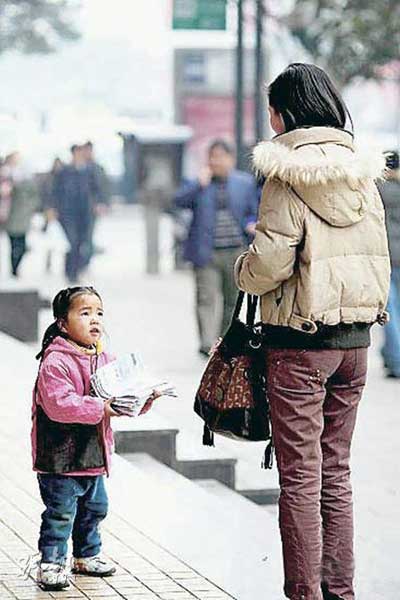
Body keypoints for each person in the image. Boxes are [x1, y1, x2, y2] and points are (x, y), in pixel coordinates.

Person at [234, 63, 390, 600]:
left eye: (273, 110)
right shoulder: (362, 171)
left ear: (285, 113)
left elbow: (270, 264)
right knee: (336, 473)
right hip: (355, 344)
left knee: (301, 477)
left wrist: (242, 267)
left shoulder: (286, 173)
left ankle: (304, 594)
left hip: (299, 343)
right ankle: (340, 591)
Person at [31, 286, 157, 591]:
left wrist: (141, 397)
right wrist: (101, 407)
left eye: (99, 313)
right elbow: (60, 404)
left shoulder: (105, 358)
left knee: (95, 508)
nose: (95, 320)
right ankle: (51, 562)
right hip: (60, 458)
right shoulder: (56, 362)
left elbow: (117, 399)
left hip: (93, 455)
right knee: (61, 513)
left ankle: (86, 556)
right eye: (84, 313)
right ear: (63, 323)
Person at [174, 139, 259, 356]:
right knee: (206, 297)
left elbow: (254, 210)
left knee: (232, 300)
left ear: (231, 159)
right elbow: (178, 201)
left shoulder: (245, 183)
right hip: (206, 252)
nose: (216, 161)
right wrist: (198, 185)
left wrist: (251, 222)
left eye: (221, 156)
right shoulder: (198, 183)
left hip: (236, 251)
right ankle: (205, 343)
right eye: (212, 157)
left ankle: (223, 340)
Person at [51, 145, 94, 283]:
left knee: (82, 243)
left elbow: (97, 189)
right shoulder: (64, 172)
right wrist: (53, 208)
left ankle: (75, 270)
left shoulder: (89, 171)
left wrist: (99, 203)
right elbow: (55, 191)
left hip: (84, 213)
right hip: (67, 213)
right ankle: (71, 273)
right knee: (72, 242)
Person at [378, 150, 400, 377]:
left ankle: (396, 359)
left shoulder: (380, 189)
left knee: (390, 309)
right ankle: (390, 354)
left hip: (387, 257)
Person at [2, 152, 40, 277]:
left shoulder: (26, 179)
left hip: (23, 216)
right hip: (10, 216)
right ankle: (14, 269)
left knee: (21, 245)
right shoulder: (6, 176)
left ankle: (15, 267)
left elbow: (35, 196)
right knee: (14, 244)